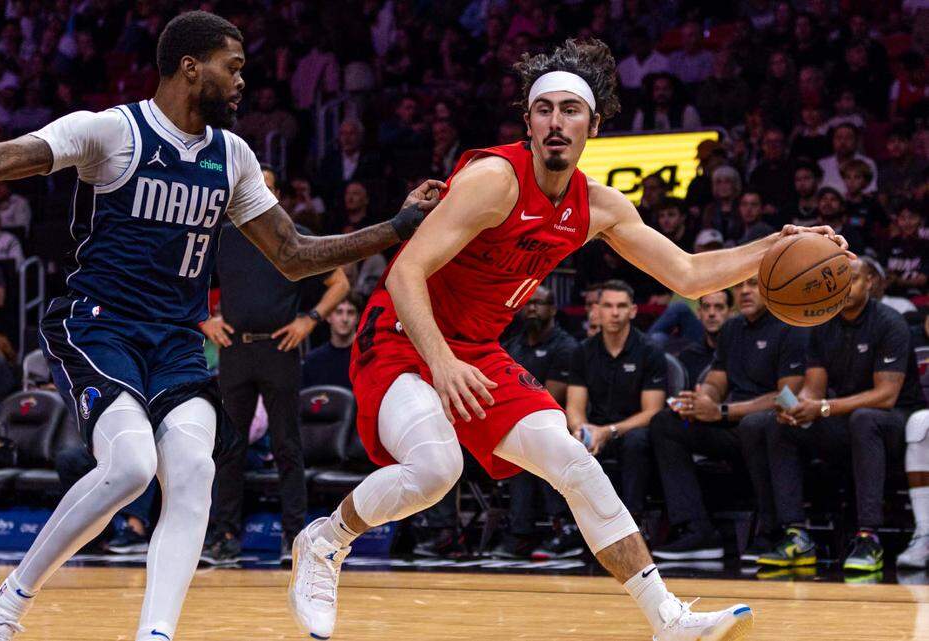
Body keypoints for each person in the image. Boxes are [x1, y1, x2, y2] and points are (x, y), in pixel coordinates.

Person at [0, 11, 441, 641]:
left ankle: (156, 633)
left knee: (194, 472)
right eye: (233, 66)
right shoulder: (112, 132)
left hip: (178, 341)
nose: (243, 81)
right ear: (191, 67)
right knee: (131, 465)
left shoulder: (234, 156)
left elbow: (294, 253)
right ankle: (6, 605)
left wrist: (395, 227)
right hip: (103, 328)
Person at [287, 39, 845, 641]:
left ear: (592, 125)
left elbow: (687, 273)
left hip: (475, 349)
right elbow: (404, 275)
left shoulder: (599, 207)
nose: (557, 122)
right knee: (436, 468)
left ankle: (669, 620)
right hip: (402, 335)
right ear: (527, 122)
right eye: (544, 109)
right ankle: (324, 541)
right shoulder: (493, 180)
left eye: (570, 110)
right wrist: (441, 362)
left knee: (573, 459)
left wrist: (779, 247)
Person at [200, 164, 351, 564]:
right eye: (255, 186)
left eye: (268, 188)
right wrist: (204, 320)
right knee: (229, 448)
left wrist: (310, 320)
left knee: (287, 445)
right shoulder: (223, 236)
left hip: (279, 349)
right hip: (235, 349)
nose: (261, 193)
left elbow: (340, 282)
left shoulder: (295, 236)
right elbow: (186, 279)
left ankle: (293, 536)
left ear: (278, 196)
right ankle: (224, 536)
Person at [757, 259, 924, 573]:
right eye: (838, 280)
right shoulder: (823, 324)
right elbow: (814, 389)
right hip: (846, 419)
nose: (845, 287)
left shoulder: (890, 322)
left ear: (870, 282)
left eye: (854, 279)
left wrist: (823, 408)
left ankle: (869, 538)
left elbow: (886, 396)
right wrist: (796, 407)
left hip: (896, 423)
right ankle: (796, 535)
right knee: (776, 425)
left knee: (865, 418)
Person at [651, 277, 807, 562]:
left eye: (753, 284)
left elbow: (789, 397)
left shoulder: (791, 327)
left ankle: (771, 531)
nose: (744, 291)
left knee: (755, 425)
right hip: (731, 424)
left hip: (775, 423)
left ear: (771, 287)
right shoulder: (732, 328)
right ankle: (697, 530)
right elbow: (717, 379)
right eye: (739, 286)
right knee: (666, 422)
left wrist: (722, 411)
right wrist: (703, 399)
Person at [566, 281, 666, 519]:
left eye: (621, 306)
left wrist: (609, 431)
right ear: (596, 310)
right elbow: (574, 406)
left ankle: (633, 521)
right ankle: (571, 524)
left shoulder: (650, 351)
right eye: (608, 306)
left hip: (634, 430)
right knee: (566, 441)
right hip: (597, 428)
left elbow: (652, 411)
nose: (614, 312)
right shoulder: (582, 351)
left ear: (633, 311)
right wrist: (583, 431)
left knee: (635, 442)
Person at [494, 284, 579, 559]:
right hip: (512, 419)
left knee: (531, 444)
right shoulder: (512, 345)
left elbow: (550, 398)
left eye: (539, 303)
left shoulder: (565, 347)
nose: (531, 308)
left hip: (555, 423)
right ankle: (442, 530)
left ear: (553, 309)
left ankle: (551, 530)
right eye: (527, 303)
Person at [303, 295, 361, 390]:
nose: (345, 319)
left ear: (358, 318)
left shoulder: (367, 357)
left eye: (350, 313)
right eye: (339, 312)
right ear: (328, 316)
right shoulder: (313, 360)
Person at [818, 123, 878, 195]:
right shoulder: (822, 164)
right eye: (838, 138)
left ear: (856, 141)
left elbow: (870, 192)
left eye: (848, 138)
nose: (843, 142)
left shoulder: (868, 163)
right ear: (832, 141)